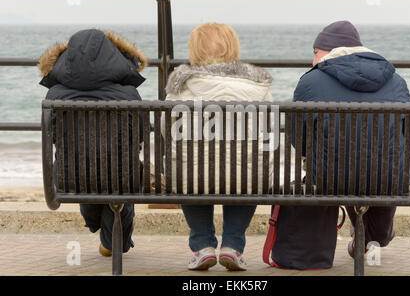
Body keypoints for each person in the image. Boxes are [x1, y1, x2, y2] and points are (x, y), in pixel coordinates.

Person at [292, 20, 410, 259]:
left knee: (342, 163)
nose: (312, 60)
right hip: (390, 179)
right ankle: (375, 236)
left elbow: (299, 138)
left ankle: (366, 235)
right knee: (383, 164)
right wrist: (392, 155)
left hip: (330, 181)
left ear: (329, 51)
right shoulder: (396, 81)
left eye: (315, 53)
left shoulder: (310, 82)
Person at [165, 22, 274, 271]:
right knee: (246, 172)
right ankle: (232, 246)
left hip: (192, 177)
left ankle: (203, 246)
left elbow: (165, 127)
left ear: (194, 50)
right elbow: (268, 132)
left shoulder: (180, 85)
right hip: (245, 177)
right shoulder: (256, 86)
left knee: (189, 172)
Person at [38, 28, 147, 257]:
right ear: (114, 58)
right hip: (122, 178)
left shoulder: (55, 96)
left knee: (81, 166)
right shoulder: (129, 95)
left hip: (70, 179)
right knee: (121, 173)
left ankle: (99, 228)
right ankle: (113, 241)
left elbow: (55, 138)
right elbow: (138, 138)